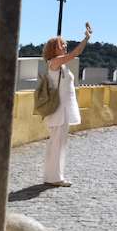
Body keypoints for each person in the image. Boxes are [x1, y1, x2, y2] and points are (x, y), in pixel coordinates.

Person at [42, 21, 92, 187]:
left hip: (62, 109)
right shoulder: (54, 62)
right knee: (57, 143)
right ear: (54, 49)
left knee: (58, 143)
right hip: (58, 109)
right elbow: (75, 53)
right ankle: (55, 177)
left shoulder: (60, 65)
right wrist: (86, 38)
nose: (64, 46)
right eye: (61, 44)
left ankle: (53, 175)